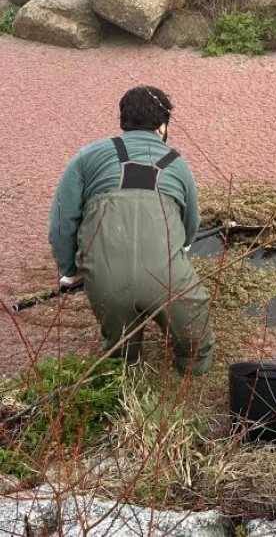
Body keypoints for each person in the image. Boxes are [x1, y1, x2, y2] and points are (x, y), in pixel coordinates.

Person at [48, 86, 215, 375]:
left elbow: (62, 222)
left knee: (120, 353)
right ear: (163, 125)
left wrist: (67, 270)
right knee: (195, 344)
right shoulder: (177, 163)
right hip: (168, 280)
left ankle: (126, 368)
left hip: (105, 280)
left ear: (123, 120)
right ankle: (191, 377)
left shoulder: (87, 157)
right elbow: (190, 227)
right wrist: (181, 251)